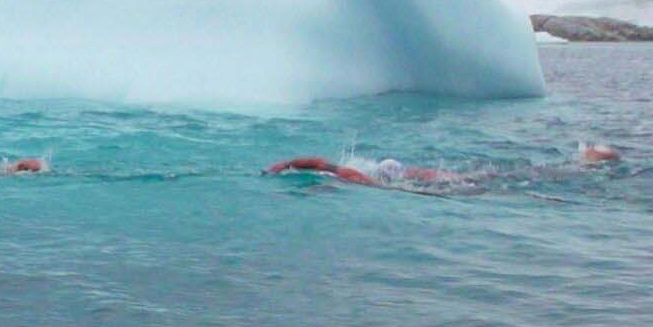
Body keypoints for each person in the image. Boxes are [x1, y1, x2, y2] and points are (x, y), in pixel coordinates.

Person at [265, 143, 621, 188]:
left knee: (509, 179)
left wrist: (283, 167)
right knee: (511, 176)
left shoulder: (355, 176)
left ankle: (588, 164)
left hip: (449, 184)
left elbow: (319, 164)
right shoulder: (352, 171)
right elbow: (315, 160)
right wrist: (284, 164)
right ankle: (587, 163)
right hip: (448, 179)